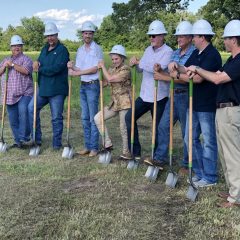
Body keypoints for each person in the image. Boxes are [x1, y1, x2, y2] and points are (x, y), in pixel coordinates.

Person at [186, 19, 240, 207]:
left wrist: (199, 69)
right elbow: (217, 74)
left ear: (234, 39)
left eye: (226, 38)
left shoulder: (239, 60)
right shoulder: (232, 60)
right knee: (226, 154)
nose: (224, 41)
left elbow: (217, 79)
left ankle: (236, 197)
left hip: (232, 110)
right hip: (224, 110)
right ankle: (234, 190)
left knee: (232, 154)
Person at [169, 19, 222, 187]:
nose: (192, 38)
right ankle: (200, 173)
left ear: (202, 37)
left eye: (194, 36)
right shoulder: (196, 53)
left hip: (206, 105)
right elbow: (188, 68)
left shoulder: (212, 55)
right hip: (193, 104)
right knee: (189, 139)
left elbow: (198, 78)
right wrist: (177, 65)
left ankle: (210, 177)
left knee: (208, 141)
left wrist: (176, 76)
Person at [144, 21, 195, 171]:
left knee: (187, 132)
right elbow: (170, 74)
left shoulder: (193, 54)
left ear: (190, 37)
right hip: (173, 95)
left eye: (182, 36)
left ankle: (187, 164)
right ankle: (160, 158)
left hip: (186, 95)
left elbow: (185, 78)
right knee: (163, 126)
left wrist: (163, 77)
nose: (178, 39)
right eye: (178, 36)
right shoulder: (174, 53)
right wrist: (161, 70)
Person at [125, 20, 173, 159]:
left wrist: (143, 63)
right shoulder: (147, 49)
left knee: (158, 127)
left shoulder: (168, 51)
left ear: (162, 36)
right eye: (150, 36)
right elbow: (141, 69)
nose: (151, 38)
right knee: (129, 118)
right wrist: (135, 62)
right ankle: (135, 152)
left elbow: (158, 68)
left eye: (154, 35)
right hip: (145, 94)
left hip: (159, 95)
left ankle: (157, 157)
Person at [29, 22, 69, 150]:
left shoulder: (62, 50)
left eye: (52, 35)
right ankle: (37, 139)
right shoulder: (44, 49)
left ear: (57, 35)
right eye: (48, 36)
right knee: (31, 108)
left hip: (57, 90)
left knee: (56, 117)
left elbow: (56, 68)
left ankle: (57, 144)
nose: (50, 38)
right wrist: (36, 62)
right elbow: (39, 62)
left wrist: (40, 69)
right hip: (43, 88)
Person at [68, 21, 103, 157]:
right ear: (82, 34)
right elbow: (79, 68)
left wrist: (77, 73)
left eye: (90, 33)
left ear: (93, 34)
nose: (87, 35)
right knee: (84, 117)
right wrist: (71, 66)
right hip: (83, 86)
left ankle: (94, 147)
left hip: (93, 85)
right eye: (85, 33)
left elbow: (95, 68)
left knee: (93, 117)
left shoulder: (97, 49)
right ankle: (87, 146)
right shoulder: (80, 50)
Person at [94, 45, 131, 159]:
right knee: (98, 118)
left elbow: (111, 79)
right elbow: (107, 82)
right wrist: (99, 80)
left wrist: (103, 67)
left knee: (123, 127)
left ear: (122, 58)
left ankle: (126, 152)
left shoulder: (126, 69)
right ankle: (107, 143)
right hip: (114, 103)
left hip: (125, 102)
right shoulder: (111, 69)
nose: (114, 61)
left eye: (117, 59)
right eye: (113, 59)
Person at [0, 35, 33, 148]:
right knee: (13, 118)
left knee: (24, 112)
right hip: (9, 95)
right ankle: (18, 141)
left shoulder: (26, 59)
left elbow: (26, 71)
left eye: (19, 45)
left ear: (22, 47)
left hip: (24, 93)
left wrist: (13, 65)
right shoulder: (5, 60)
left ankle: (24, 138)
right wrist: (4, 66)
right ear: (11, 47)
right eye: (14, 46)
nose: (16, 47)